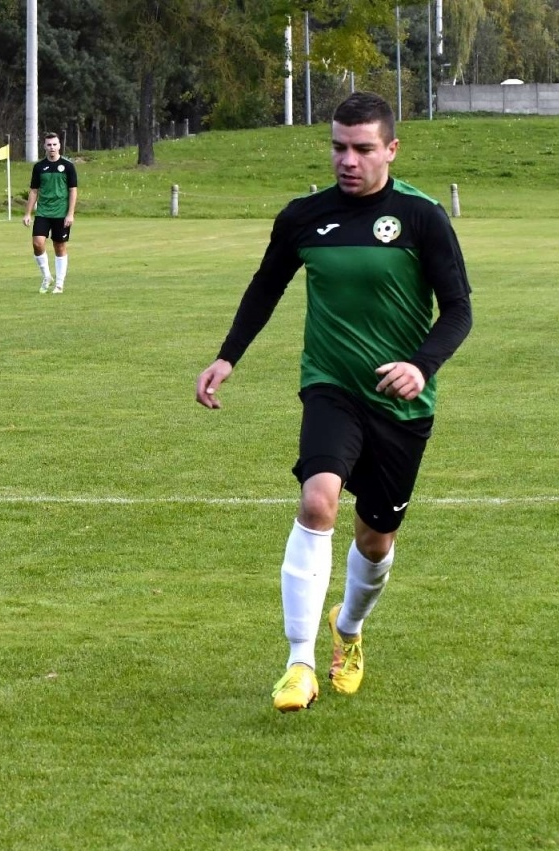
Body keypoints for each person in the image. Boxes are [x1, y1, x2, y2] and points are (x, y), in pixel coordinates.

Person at [194, 92, 472, 713]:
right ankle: (299, 663)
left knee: (376, 540)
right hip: (331, 387)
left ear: (391, 150)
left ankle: (348, 628)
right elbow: (265, 286)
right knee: (317, 500)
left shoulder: (423, 217)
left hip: (401, 403)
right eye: (339, 147)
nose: (348, 160)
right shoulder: (302, 217)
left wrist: (420, 367)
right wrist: (226, 356)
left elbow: (458, 310)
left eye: (363, 148)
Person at [22, 131, 78, 293]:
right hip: (43, 212)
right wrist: (27, 213)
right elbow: (34, 191)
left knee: (59, 246)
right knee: (37, 243)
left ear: (59, 146)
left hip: (61, 213)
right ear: (44, 147)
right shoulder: (39, 167)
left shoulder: (68, 166)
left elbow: (73, 190)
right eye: (49, 145)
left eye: (54, 144)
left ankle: (59, 283)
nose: (52, 148)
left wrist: (70, 213)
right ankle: (47, 276)